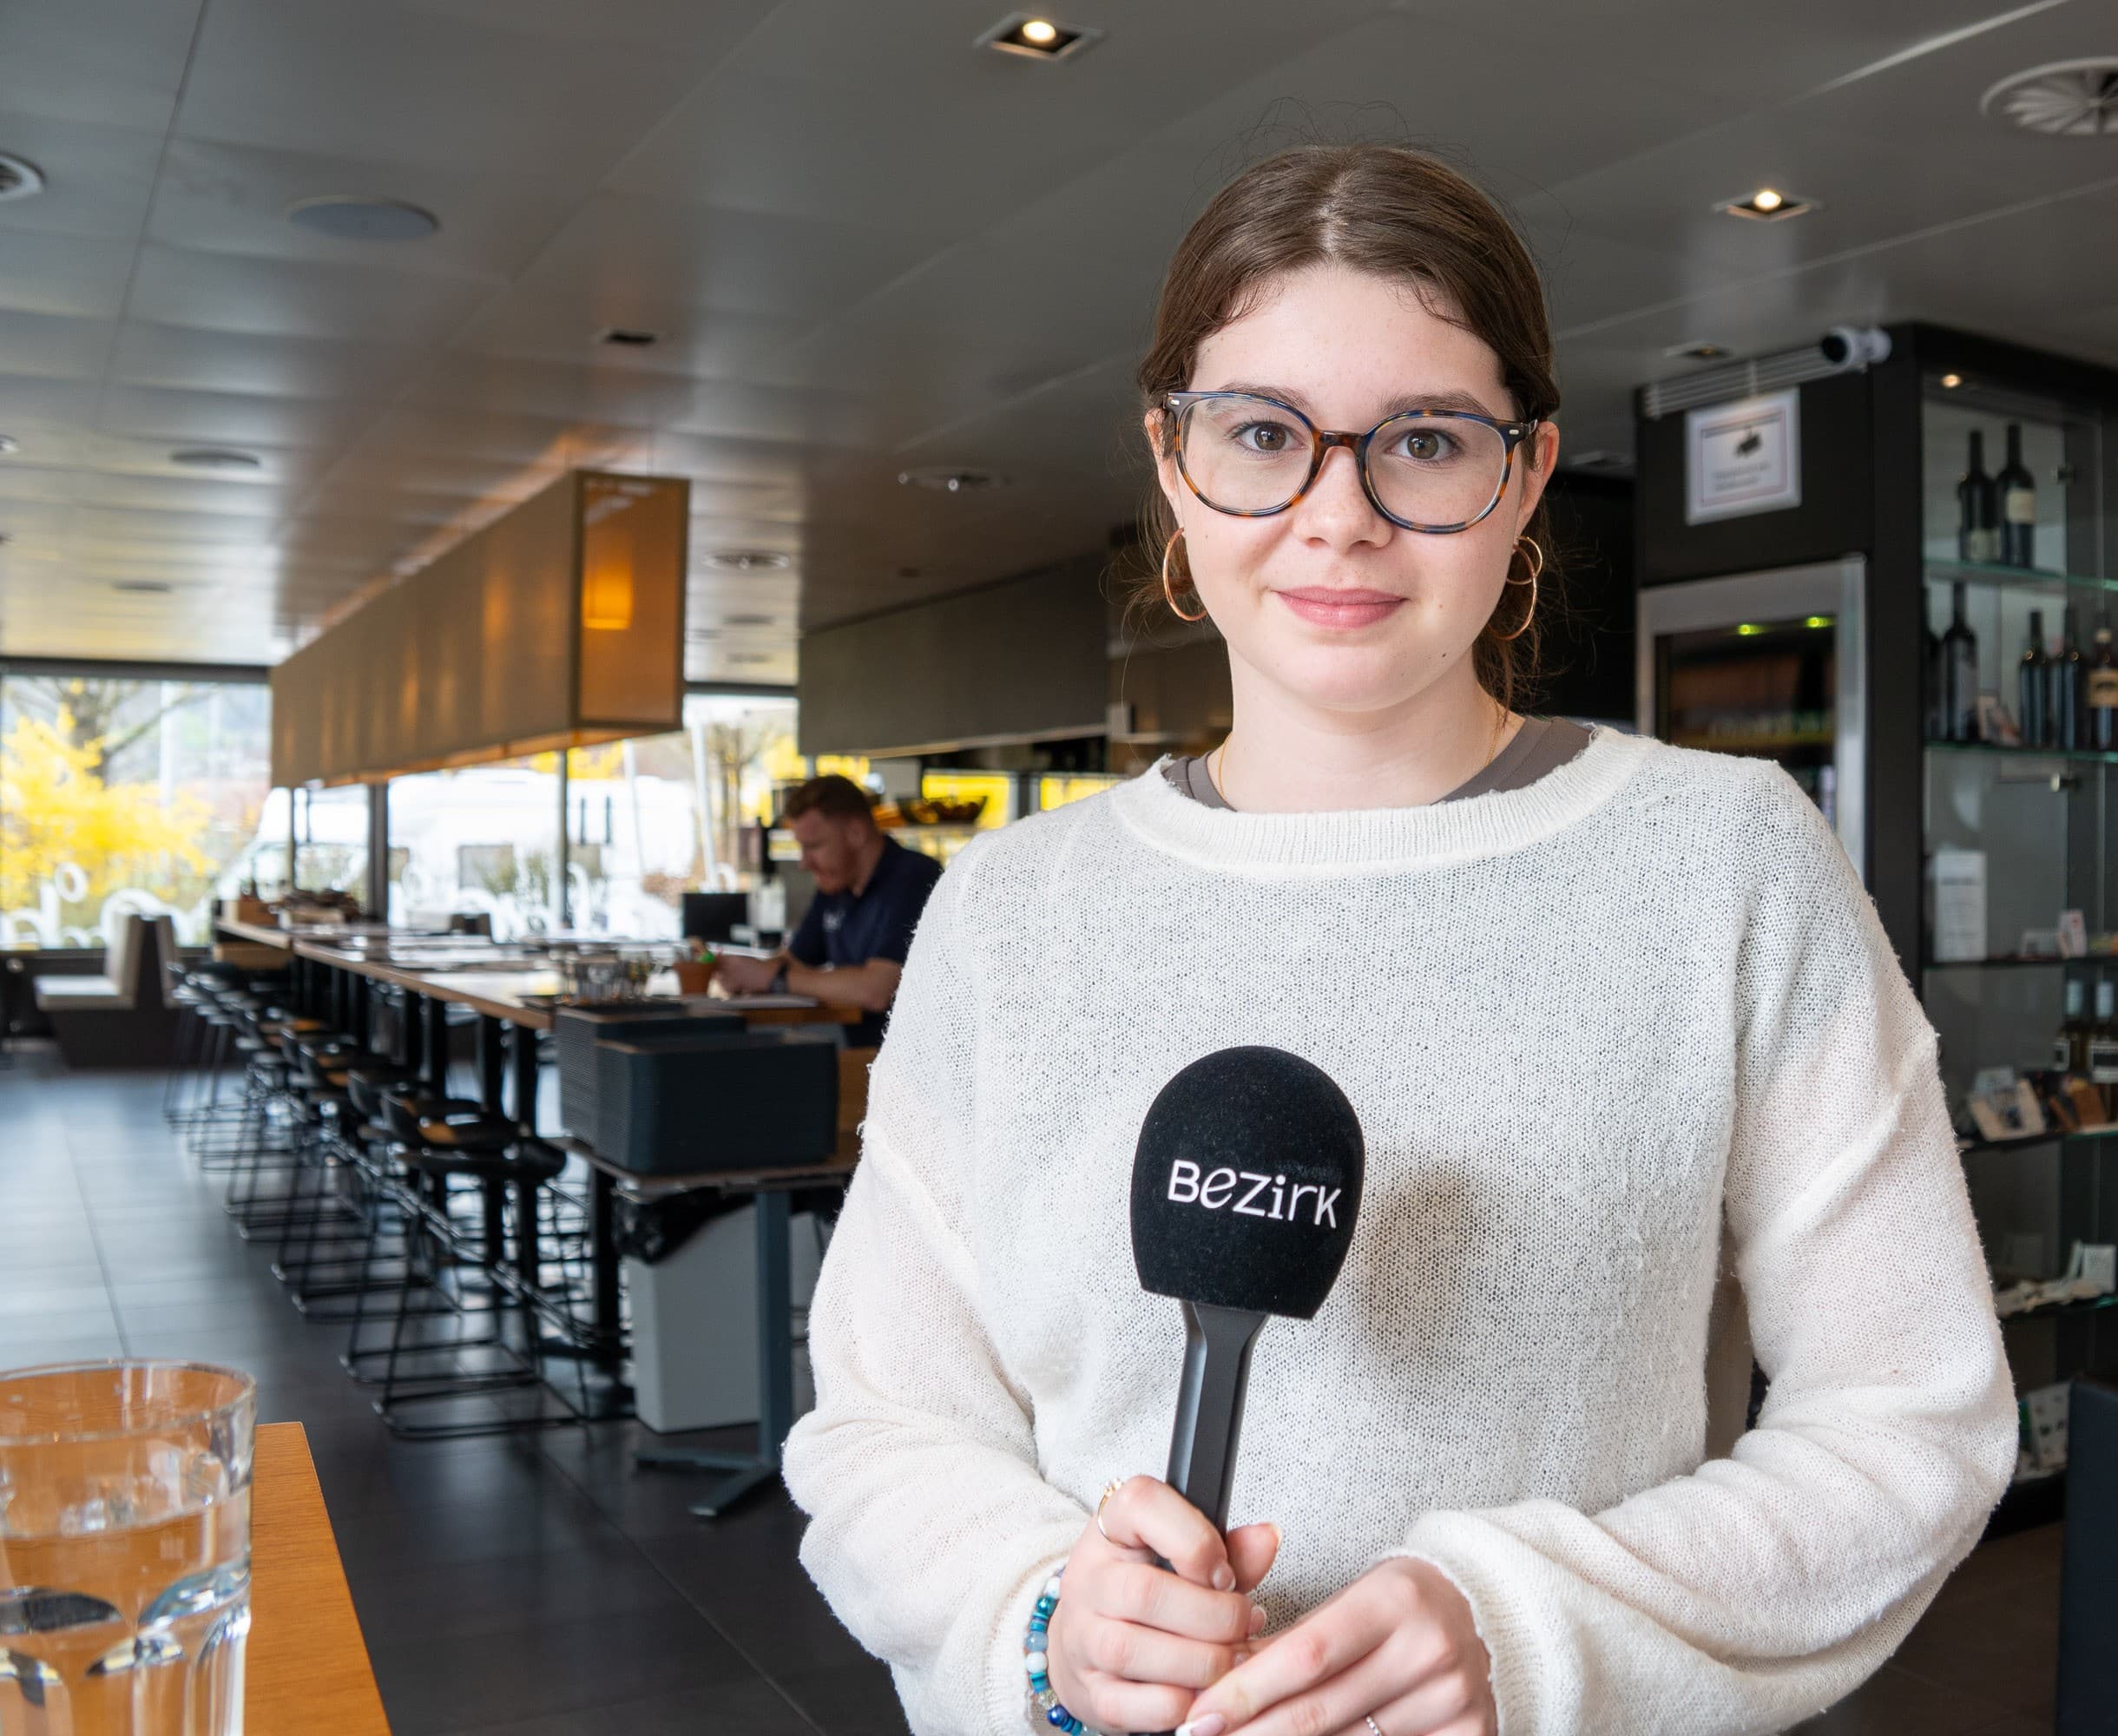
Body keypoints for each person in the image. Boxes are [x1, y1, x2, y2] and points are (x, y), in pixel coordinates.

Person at [784, 145, 2013, 1736]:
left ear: (1527, 471)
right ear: (1172, 460)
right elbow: (885, 1424)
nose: (1338, 518)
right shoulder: (1010, 912)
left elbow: (1911, 1419)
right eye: (1261, 435)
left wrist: (1529, 1631)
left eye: (1424, 442)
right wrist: (1041, 1630)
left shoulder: (1724, 862)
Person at [714, 773, 940, 1049]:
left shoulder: (913, 879)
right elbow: (794, 962)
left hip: (915, 1061)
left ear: (856, 833)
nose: (803, 863)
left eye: (814, 846)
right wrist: (742, 972)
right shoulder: (836, 885)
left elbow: (877, 990)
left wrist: (773, 978)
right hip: (859, 1051)